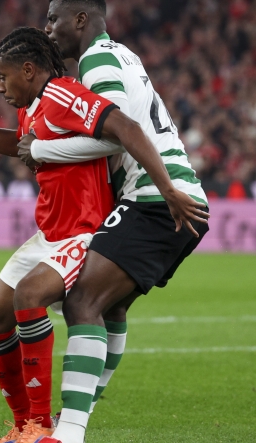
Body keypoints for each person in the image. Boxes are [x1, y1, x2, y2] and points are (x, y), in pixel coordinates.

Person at [0, 26, 206, 443]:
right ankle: (22, 426)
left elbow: (123, 128)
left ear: (30, 70)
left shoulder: (63, 95)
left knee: (32, 297)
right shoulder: (32, 106)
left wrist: (167, 190)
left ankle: (41, 424)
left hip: (83, 229)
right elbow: (19, 144)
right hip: (49, 229)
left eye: (3, 77)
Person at [22, 2, 209, 443]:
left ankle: (68, 432)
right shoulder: (123, 54)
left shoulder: (98, 62)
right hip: (174, 198)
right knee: (111, 306)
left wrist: (41, 152)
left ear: (80, 19)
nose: (48, 28)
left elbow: (118, 133)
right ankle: (81, 406)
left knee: (81, 301)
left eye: (54, 18)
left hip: (159, 200)